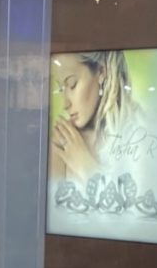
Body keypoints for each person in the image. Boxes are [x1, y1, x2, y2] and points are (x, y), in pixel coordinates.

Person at [49, 50, 139, 184]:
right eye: (61, 89)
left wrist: (86, 168)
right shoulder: (63, 140)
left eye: (72, 84)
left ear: (101, 72)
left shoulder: (138, 133)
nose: (65, 104)